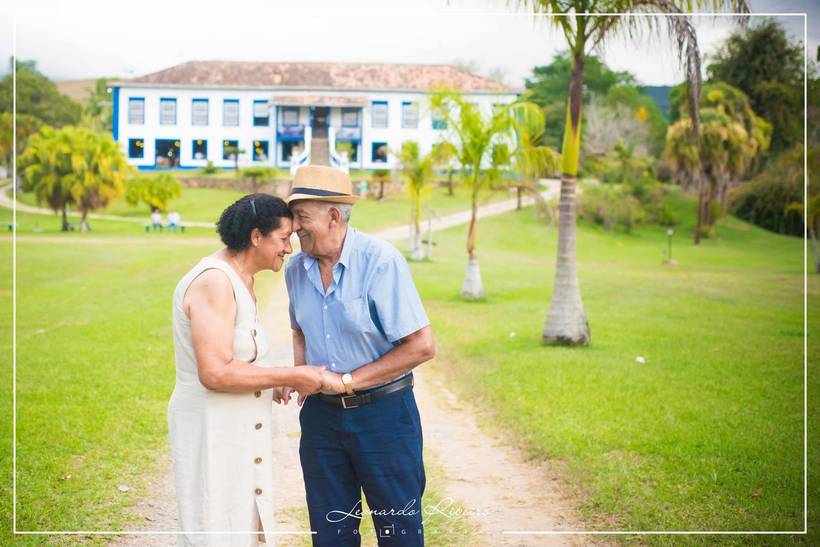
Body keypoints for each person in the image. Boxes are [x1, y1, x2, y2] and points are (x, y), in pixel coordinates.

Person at [168, 193, 344, 546]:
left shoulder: (241, 279)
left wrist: (264, 382)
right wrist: (290, 375)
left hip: (234, 425)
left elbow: (238, 359)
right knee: (216, 523)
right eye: (283, 238)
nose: (289, 248)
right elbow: (215, 372)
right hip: (211, 427)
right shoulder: (215, 282)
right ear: (256, 237)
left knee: (242, 524)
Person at [281, 165, 436, 546]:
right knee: (331, 535)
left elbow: (421, 346)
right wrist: (301, 371)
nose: (294, 227)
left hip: (384, 417)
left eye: (301, 217)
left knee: (399, 534)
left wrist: (347, 382)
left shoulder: (381, 261)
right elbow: (299, 327)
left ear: (334, 216)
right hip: (321, 421)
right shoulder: (295, 269)